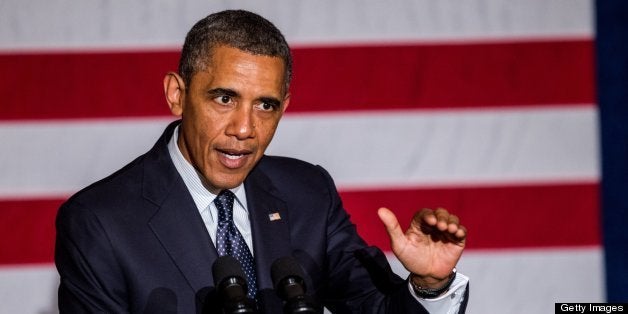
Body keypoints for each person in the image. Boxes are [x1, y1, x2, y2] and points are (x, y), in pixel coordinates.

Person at [55, 9, 469, 313]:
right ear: (177, 95)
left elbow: (377, 308)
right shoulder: (100, 221)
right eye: (224, 98)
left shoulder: (308, 193)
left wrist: (430, 285)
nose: (244, 128)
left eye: (266, 105)